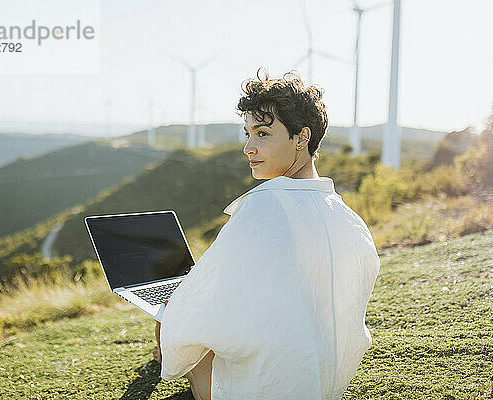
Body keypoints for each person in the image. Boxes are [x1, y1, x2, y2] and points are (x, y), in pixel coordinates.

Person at [151, 68, 380, 400]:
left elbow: (201, 307)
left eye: (262, 134)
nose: (248, 148)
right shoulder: (346, 215)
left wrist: (170, 327)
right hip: (325, 379)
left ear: (301, 137)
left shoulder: (265, 204)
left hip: (269, 385)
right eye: (247, 134)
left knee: (181, 328)